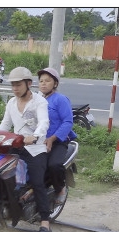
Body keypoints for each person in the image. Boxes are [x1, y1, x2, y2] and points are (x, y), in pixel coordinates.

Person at [0, 67, 52, 232]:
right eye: (13, 85)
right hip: (16, 146)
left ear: (28, 84)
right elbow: (4, 125)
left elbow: (44, 122)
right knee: (0, 173)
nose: (15, 88)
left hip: (35, 148)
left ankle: (45, 222)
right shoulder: (11, 103)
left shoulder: (39, 102)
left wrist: (34, 137)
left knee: (37, 181)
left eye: (18, 85)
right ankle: (7, 207)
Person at [37, 67, 77, 206]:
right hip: (39, 141)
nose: (43, 83)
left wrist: (53, 138)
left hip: (58, 141)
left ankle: (60, 189)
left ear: (55, 83)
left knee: (54, 165)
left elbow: (68, 122)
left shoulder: (60, 99)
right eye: (41, 81)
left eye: (47, 81)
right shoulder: (36, 99)